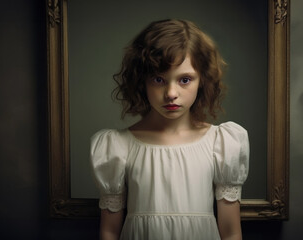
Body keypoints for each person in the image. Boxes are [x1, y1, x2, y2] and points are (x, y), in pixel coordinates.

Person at [90, 19, 249, 240]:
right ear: (141, 81)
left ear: (202, 80)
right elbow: (109, 232)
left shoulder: (221, 144)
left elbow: (231, 233)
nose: (171, 93)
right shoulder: (118, 147)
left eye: (185, 79)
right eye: (158, 79)